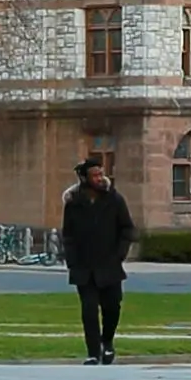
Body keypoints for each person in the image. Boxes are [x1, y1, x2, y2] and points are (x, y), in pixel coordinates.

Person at [59, 152, 134, 365]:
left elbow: (127, 229)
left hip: (110, 265)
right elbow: (68, 234)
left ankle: (107, 342)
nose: (100, 178)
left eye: (101, 174)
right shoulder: (73, 203)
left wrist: (119, 254)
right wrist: (72, 260)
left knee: (112, 308)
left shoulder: (115, 200)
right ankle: (93, 352)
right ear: (84, 178)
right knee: (89, 311)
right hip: (84, 267)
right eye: (95, 175)